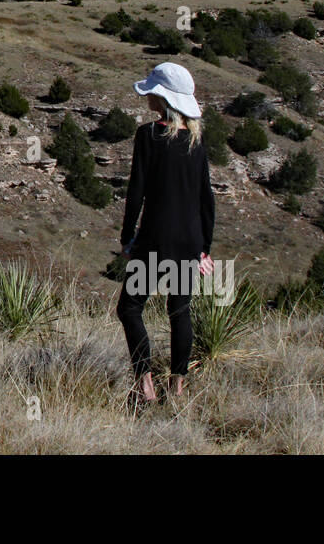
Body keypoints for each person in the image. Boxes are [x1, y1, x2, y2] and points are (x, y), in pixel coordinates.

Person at [116, 62, 215, 406]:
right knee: (180, 310)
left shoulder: (148, 136)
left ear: (161, 97)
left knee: (130, 308)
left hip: (155, 239)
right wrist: (204, 248)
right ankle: (178, 389)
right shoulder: (196, 140)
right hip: (189, 241)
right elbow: (206, 198)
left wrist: (128, 237)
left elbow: (136, 192)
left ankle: (145, 384)